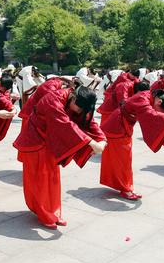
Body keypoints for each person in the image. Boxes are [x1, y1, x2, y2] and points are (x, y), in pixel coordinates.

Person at [14, 84, 106, 228]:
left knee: (53, 177)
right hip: (35, 140)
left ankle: (53, 211)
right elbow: (65, 124)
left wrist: (102, 138)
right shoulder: (53, 99)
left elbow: (88, 120)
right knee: (39, 179)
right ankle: (43, 213)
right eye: (79, 108)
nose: (80, 111)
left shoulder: (78, 100)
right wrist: (91, 142)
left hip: (50, 141)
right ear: (73, 98)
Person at [100, 83, 164, 199]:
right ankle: (126, 189)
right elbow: (151, 113)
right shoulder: (143, 98)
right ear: (159, 102)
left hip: (121, 125)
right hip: (117, 127)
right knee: (123, 159)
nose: (160, 112)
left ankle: (120, 185)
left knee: (120, 158)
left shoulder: (151, 96)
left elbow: (157, 111)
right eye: (162, 110)